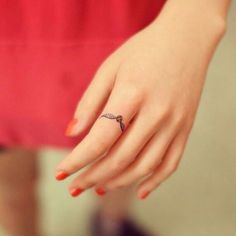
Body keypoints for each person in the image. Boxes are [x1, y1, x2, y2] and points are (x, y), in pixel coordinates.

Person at [0, 0, 231, 236]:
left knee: (122, 160)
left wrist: (197, 15)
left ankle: (112, 224)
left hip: (127, 30)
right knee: (11, 190)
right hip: (7, 54)